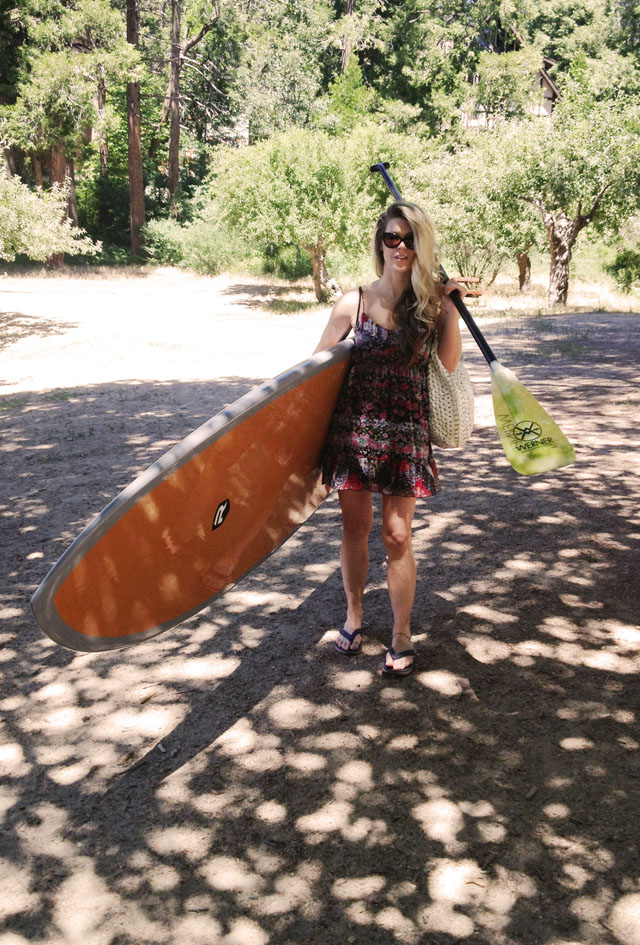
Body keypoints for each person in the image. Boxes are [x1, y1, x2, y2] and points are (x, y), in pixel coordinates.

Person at [313, 200, 464, 677]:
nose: (399, 247)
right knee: (354, 530)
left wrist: (452, 312)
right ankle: (354, 615)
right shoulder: (353, 302)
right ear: (380, 244)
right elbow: (314, 370)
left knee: (397, 535)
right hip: (354, 433)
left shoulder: (430, 306)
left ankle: (401, 633)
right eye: (391, 239)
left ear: (422, 245)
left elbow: (450, 364)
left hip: (405, 435)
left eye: (409, 239)